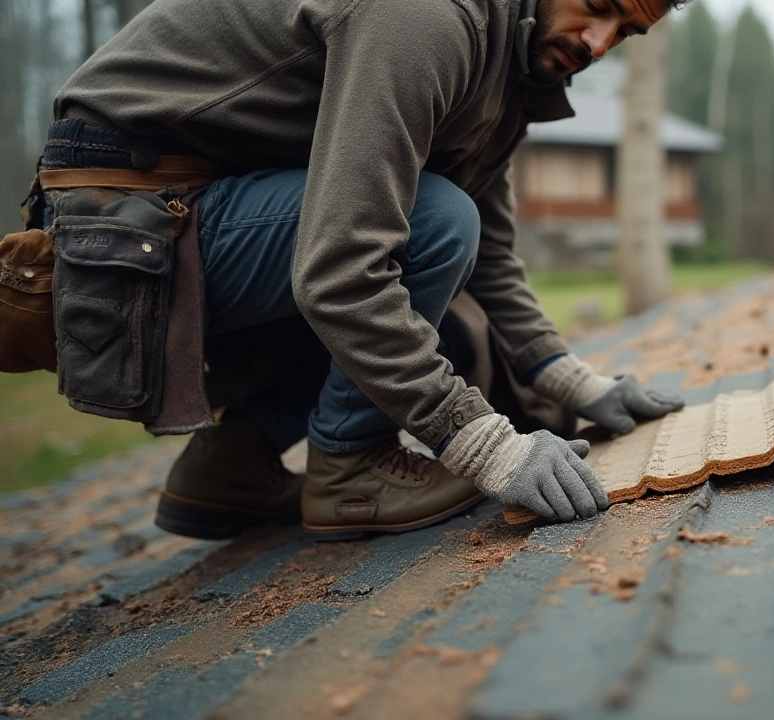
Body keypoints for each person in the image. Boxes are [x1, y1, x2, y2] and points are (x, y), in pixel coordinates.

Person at [36, 0, 687, 541]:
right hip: (122, 215)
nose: (599, 44)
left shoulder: (508, 62)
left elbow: (487, 252)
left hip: (204, 203)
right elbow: (342, 266)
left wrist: (571, 381)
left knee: (450, 321)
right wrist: (480, 443)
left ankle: (235, 460)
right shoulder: (430, 18)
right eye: (597, 8)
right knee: (433, 229)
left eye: (626, 31)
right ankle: (350, 466)